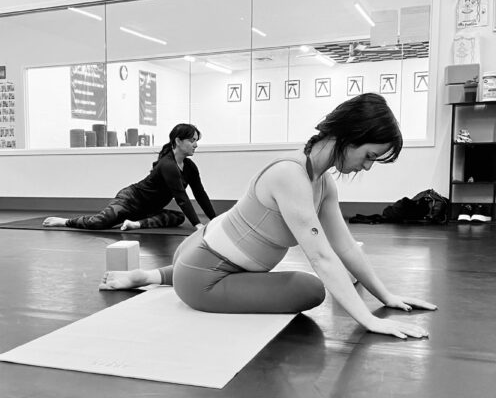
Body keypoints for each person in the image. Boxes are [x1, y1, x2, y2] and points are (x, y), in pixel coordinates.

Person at [98, 93, 437, 339]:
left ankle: (150, 277)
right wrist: (367, 320)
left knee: (263, 270)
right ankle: (168, 278)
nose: (366, 166)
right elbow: (320, 255)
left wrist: (386, 296)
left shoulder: (323, 184)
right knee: (310, 289)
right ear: (350, 137)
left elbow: (345, 247)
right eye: (369, 156)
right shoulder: (292, 176)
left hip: (200, 252)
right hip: (204, 277)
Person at [43, 123, 216, 230]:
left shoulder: (190, 167)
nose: (196, 144)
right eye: (192, 140)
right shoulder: (168, 164)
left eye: (196, 140)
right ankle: (64, 222)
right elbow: (182, 198)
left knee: (178, 217)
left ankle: (136, 224)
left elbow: (200, 194)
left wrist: (214, 221)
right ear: (178, 141)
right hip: (131, 199)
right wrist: (198, 225)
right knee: (100, 223)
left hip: (148, 210)